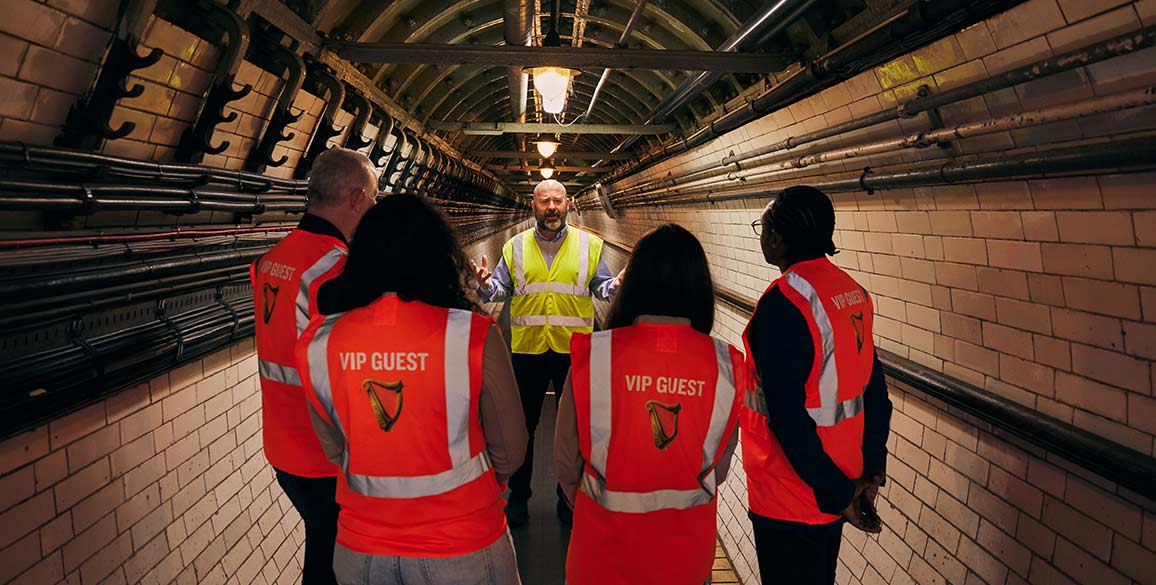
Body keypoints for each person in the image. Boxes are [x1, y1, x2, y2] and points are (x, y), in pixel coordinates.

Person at [295, 194, 527, 585]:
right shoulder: (471, 334)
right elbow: (511, 448)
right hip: (461, 542)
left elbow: (334, 448)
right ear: (439, 258)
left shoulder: (319, 341)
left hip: (362, 548)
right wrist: (491, 481)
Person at [555, 224, 746, 585]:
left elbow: (566, 464)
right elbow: (718, 471)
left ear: (634, 284)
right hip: (685, 559)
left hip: (601, 555)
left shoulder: (595, 356)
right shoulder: (726, 365)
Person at [740, 186, 892, 585]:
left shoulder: (784, 303)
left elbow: (788, 418)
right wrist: (871, 470)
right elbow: (875, 392)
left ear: (776, 238)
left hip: (790, 494)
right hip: (841, 481)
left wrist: (839, 492)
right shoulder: (850, 292)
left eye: (763, 227)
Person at [250, 147, 378, 585]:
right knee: (334, 565)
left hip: (282, 448)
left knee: (322, 548)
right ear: (357, 199)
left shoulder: (272, 260)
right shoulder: (336, 270)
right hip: (324, 453)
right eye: (374, 199)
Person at [470, 178, 622, 527]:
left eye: (557, 201)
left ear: (568, 204)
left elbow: (601, 289)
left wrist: (616, 285)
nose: (551, 208)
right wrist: (484, 284)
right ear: (532, 207)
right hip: (528, 348)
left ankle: (567, 497)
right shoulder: (515, 247)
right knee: (524, 427)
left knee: (577, 429)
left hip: (575, 349)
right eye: (544, 202)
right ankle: (519, 497)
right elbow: (498, 292)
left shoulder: (590, 245)